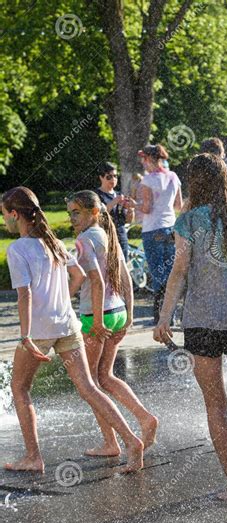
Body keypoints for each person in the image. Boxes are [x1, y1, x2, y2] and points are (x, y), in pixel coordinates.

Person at [153, 153, 227, 516]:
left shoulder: (188, 221)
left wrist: (164, 317)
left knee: (216, 405)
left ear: (195, 183)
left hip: (201, 324)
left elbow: (179, 273)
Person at [2, 186, 144, 473]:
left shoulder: (17, 249)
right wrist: (60, 301)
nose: (4, 220)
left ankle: (33, 456)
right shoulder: (52, 241)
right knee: (90, 387)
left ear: (16, 215)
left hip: (40, 330)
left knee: (20, 388)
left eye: (4, 214)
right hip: (67, 325)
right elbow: (77, 274)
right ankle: (131, 439)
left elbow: (25, 295)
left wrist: (26, 336)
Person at [67, 190, 158, 457]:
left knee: (90, 384)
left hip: (98, 316)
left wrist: (95, 320)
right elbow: (125, 276)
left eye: (77, 212)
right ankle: (144, 417)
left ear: (94, 213)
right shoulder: (108, 235)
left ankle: (111, 443)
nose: (72, 218)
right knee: (105, 376)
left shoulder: (85, 240)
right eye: (70, 212)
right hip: (116, 310)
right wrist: (127, 315)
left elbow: (95, 281)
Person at [137, 144, 183, 324]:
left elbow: (147, 208)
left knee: (157, 274)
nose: (142, 162)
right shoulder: (173, 176)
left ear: (148, 159)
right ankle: (171, 315)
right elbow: (178, 205)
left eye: (143, 159)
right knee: (171, 272)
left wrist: (133, 205)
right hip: (171, 229)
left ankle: (160, 318)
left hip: (152, 229)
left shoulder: (147, 180)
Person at [96, 162, 134, 261]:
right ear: (101, 177)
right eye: (109, 177)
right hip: (105, 236)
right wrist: (115, 201)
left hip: (121, 236)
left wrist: (130, 210)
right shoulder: (97, 195)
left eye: (115, 176)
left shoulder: (119, 194)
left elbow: (128, 220)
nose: (113, 179)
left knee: (123, 268)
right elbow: (100, 213)